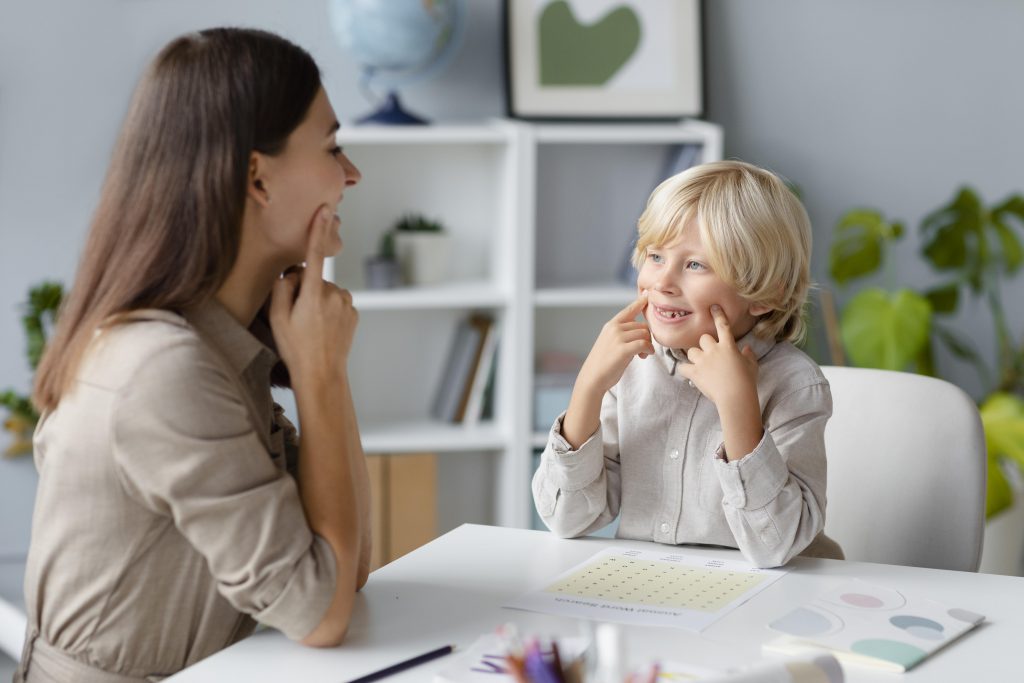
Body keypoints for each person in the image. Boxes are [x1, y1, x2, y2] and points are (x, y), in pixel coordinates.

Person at [17, 28, 370, 682]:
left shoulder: (221, 343)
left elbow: (347, 566)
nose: (351, 174)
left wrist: (327, 364)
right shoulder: (163, 368)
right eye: (331, 147)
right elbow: (321, 609)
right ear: (257, 176)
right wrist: (318, 377)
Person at [532, 160, 844, 569]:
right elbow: (567, 519)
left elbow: (777, 547)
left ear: (764, 294)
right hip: (661, 594)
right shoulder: (631, 370)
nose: (662, 282)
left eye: (695, 264)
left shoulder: (796, 386)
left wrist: (738, 406)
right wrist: (588, 388)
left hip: (772, 602)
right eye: (656, 255)